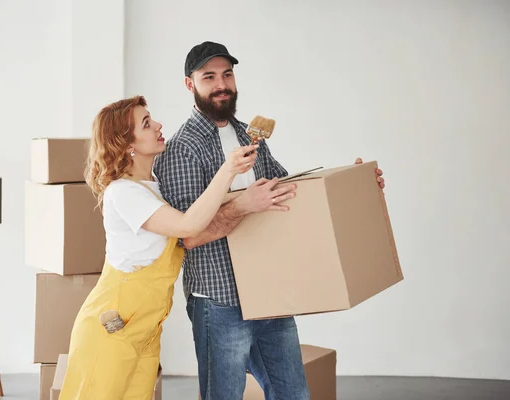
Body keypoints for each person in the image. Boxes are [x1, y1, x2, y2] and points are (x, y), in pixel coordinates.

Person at [153, 41, 386, 400]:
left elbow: (289, 191)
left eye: (227, 74)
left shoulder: (250, 134)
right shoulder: (183, 148)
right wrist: (243, 206)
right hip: (220, 301)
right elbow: (188, 236)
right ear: (190, 85)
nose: (221, 84)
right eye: (209, 76)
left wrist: (353, 185)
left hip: (270, 294)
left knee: (293, 395)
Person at [58, 95, 259, 400]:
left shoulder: (151, 186)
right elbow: (188, 225)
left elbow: (197, 207)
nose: (159, 125)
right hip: (112, 329)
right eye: (147, 123)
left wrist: (248, 194)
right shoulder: (123, 193)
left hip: (144, 331)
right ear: (128, 144)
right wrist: (228, 170)